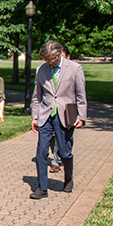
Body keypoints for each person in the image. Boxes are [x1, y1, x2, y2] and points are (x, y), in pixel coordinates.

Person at [30, 40, 87, 199]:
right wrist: (34, 117)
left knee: (64, 152)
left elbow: (81, 95)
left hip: (65, 115)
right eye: (46, 59)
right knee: (41, 152)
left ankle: (68, 178)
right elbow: (37, 96)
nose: (49, 62)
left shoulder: (74, 68)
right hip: (45, 115)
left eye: (52, 59)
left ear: (59, 54)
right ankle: (42, 187)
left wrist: (81, 116)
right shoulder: (41, 70)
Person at [49, 45, 71, 173]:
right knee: (52, 136)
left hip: (65, 110)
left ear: (67, 57)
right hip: (51, 109)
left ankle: (57, 160)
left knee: (62, 137)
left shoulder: (73, 70)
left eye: (62, 56)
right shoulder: (49, 70)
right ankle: (58, 156)